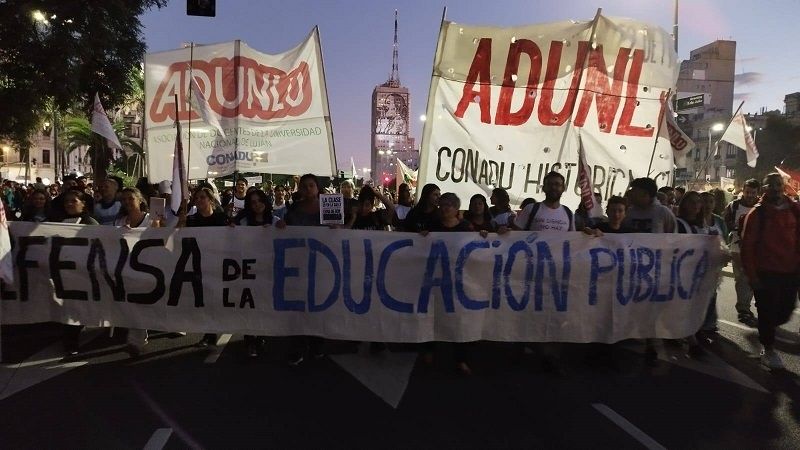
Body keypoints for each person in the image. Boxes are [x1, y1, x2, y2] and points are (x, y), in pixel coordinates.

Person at [740, 173, 800, 370]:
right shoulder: (757, 214)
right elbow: (747, 247)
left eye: (778, 184)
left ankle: (767, 328)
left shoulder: (794, 209)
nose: (775, 188)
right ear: (764, 188)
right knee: (767, 312)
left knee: (785, 311)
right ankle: (768, 347)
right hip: (766, 272)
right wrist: (753, 276)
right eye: (770, 185)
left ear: (783, 186)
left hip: (790, 271)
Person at [422, 193, 479, 375]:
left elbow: (476, 248)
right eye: (443, 205)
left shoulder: (465, 228)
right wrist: (422, 237)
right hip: (435, 280)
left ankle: (461, 359)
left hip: (459, 281)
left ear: (456, 208)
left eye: (450, 205)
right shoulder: (433, 227)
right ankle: (430, 349)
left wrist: (483, 236)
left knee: (459, 319)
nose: (445, 208)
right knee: (433, 315)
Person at [281, 174, 327, 365]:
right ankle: (298, 346)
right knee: (298, 307)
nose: (308, 189)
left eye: (311, 185)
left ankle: (317, 344)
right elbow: (286, 228)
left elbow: (340, 230)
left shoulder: (327, 206)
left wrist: (336, 228)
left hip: (322, 264)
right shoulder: (294, 210)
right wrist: (281, 226)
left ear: (317, 188)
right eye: (304, 186)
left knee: (319, 305)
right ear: (299, 189)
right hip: (298, 263)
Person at [233, 189, 280, 357]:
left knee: (263, 304)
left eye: (260, 200)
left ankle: (260, 335)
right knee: (249, 305)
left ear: (265, 202)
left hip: (267, 271)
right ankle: (249, 338)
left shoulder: (275, 222)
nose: (257, 204)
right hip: (248, 270)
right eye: (253, 202)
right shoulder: (243, 223)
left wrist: (281, 228)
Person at [181, 187, 229, 347]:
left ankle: (216, 328)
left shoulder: (221, 218)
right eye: (197, 198)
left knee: (216, 298)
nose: (200, 200)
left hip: (218, 263)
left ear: (210, 200)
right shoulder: (192, 219)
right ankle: (209, 334)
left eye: (203, 197)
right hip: (198, 264)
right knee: (204, 299)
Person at [59, 191, 98, 354]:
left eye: (73, 201)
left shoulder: (91, 223)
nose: (69, 204)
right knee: (71, 307)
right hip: (67, 272)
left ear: (83, 203)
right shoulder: (59, 223)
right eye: (66, 201)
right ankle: (71, 341)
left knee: (78, 307)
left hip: (84, 273)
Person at [723, 179, 760, 325]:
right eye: (747, 192)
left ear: (758, 193)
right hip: (738, 248)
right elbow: (726, 221)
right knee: (742, 279)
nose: (750, 195)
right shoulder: (734, 205)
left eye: (753, 193)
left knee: (754, 279)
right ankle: (743, 310)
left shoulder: (761, 207)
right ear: (743, 191)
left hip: (757, 251)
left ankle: (756, 307)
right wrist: (737, 229)